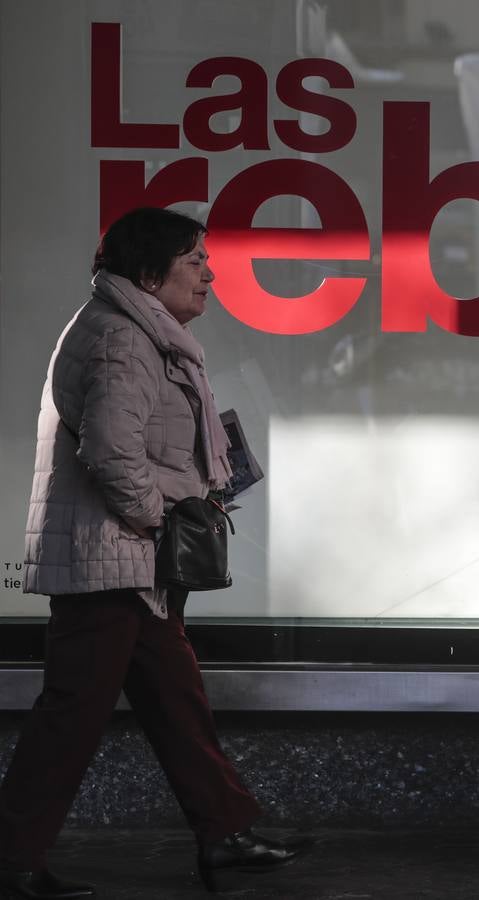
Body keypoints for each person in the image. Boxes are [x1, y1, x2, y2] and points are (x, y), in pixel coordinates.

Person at [0, 207, 311, 898]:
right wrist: (157, 521)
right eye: (193, 258)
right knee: (72, 716)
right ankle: (13, 857)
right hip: (110, 563)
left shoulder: (140, 333)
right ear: (147, 273)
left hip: (129, 563)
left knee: (175, 700)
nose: (210, 271)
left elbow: (144, 445)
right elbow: (111, 453)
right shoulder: (121, 340)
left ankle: (225, 833)